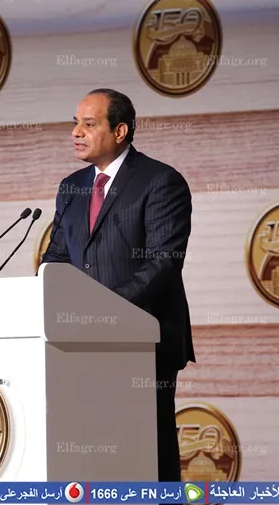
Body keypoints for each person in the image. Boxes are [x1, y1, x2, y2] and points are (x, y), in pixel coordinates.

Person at [40, 88, 195, 481]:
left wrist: (102, 313)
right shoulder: (71, 186)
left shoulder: (160, 181)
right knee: (92, 457)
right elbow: (57, 258)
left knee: (148, 456)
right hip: (78, 347)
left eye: (89, 124)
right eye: (75, 123)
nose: (76, 132)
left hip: (143, 344)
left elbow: (163, 263)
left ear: (120, 130)